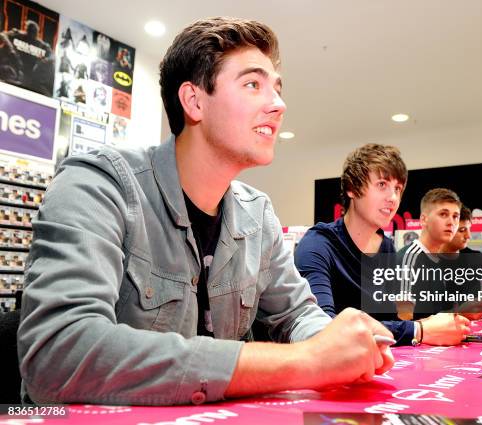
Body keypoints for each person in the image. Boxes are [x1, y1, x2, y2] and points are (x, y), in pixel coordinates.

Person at [18, 17, 394, 406]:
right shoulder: (98, 182)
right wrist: (304, 362)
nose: (279, 105)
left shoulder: (257, 212)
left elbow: (296, 313)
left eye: (277, 89)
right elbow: (58, 354)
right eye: (253, 84)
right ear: (194, 101)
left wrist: (339, 341)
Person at [295, 145, 470, 347]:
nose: (393, 198)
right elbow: (324, 331)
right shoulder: (318, 245)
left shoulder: (386, 248)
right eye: (381, 184)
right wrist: (419, 330)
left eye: (397, 189)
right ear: (352, 188)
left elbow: (392, 320)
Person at [396, 188, 463, 319]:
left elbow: (438, 315)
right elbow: (404, 322)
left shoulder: (437, 259)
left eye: (455, 216)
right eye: (443, 214)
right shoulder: (410, 258)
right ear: (423, 220)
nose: (451, 222)